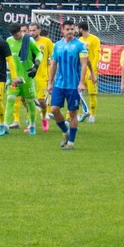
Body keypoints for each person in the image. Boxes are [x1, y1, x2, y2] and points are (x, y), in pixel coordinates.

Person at [47, 21, 88, 150]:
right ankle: (65, 131)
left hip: (73, 85)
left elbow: (84, 64)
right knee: (54, 109)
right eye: (67, 29)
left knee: (72, 114)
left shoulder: (80, 46)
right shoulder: (57, 46)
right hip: (59, 84)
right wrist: (50, 82)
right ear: (62, 30)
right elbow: (53, 64)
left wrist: (81, 82)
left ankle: (71, 142)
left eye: (72, 29)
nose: (70, 31)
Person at [5, 23, 42, 134]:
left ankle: (32, 125)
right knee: (10, 98)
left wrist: (36, 66)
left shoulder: (28, 40)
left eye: (17, 35)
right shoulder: (8, 41)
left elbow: (39, 53)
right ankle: (5, 126)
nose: (15, 37)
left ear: (21, 31)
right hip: (14, 77)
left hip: (27, 76)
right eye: (13, 35)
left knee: (30, 101)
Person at [28, 23, 54, 131]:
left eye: (34, 30)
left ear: (39, 30)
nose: (32, 33)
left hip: (42, 76)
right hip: (30, 76)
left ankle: (44, 118)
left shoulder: (46, 42)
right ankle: (31, 124)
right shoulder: (27, 42)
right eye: (30, 30)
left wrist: (51, 75)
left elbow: (53, 58)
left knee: (41, 100)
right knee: (29, 101)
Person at [76, 20, 101, 123]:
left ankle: (92, 115)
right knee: (77, 93)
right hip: (81, 70)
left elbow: (96, 55)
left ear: (80, 29)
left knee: (91, 94)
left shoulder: (94, 39)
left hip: (90, 71)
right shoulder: (79, 40)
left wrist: (93, 71)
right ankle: (79, 113)